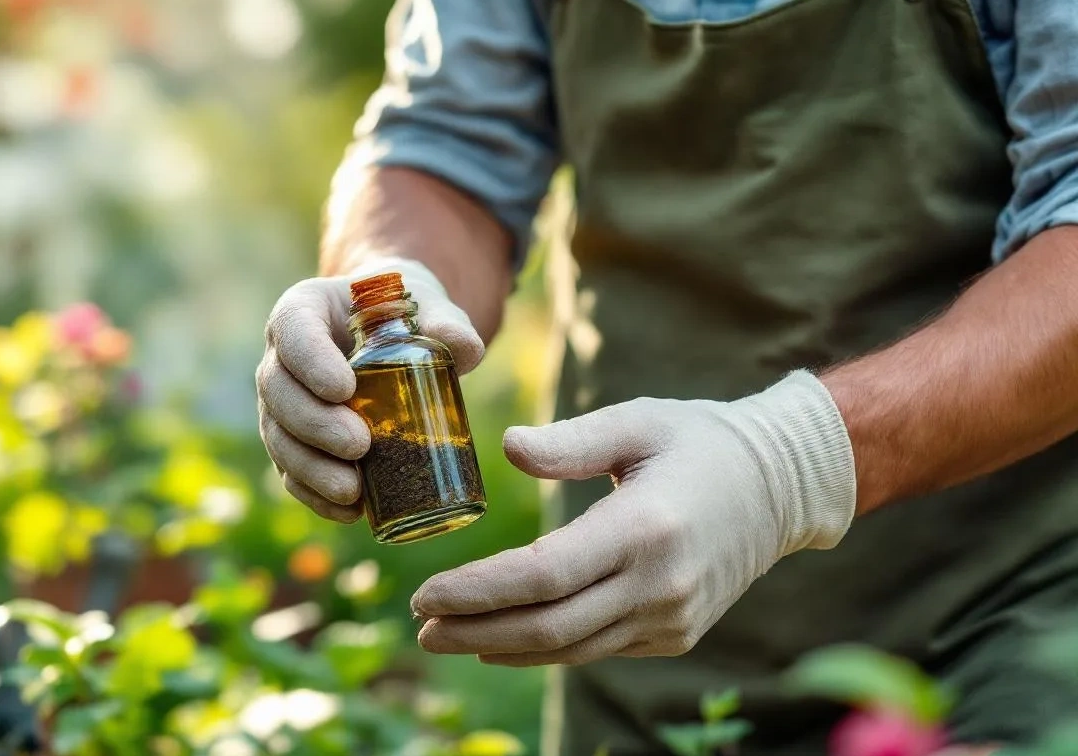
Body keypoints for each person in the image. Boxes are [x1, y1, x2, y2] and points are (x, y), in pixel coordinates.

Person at [255, 0, 1078, 753]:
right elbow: (444, 141)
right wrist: (391, 283)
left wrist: (788, 463)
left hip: (996, 616)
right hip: (638, 639)